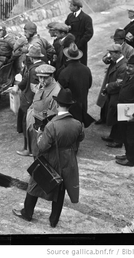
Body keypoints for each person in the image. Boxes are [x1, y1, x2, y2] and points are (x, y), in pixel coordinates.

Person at [12, 88, 84, 228]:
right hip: (68, 160)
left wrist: (39, 133)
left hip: (50, 160)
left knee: (34, 184)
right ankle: (53, 220)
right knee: (60, 189)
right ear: (70, 106)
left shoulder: (51, 125)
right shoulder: (77, 124)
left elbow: (42, 146)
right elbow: (80, 138)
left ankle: (27, 213)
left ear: (57, 105)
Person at [14, 45, 46, 156]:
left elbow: (33, 88)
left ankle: (28, 149)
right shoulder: (45, 65)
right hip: (43, 100)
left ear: (31, 57)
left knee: (27, 124)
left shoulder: (33, 69)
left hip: (30, 101)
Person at [26, 64, 61, 157]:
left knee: (41, 155)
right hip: (35, 124)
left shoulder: (56, 92)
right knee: (35, 152)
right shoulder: (43, 85)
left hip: (44, 128)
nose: (41, 80)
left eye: (45, 78)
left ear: (52, 76)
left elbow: (54, 115)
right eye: (40, 77)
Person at [57, 43, 94, 128]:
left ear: (67, 57)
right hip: (83, 101)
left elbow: (60, 90)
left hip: (70, 105)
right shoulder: (86, 69)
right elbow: (89, 84)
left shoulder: (65, 72)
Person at [95, 44, 127, 128]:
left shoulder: (123, 66)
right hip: (110, 90)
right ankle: (106, 120)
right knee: (106, 105)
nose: (110, 55)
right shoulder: (116, 60)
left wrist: (108, 85)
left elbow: (120, 83)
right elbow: (106, 60)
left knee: (113, 111)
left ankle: (113, 133)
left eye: (111, 53)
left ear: (117, 53)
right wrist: (107, 58)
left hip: (115, 92)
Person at [64, 0, 93, 66]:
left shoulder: (86, 18)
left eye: (71, 6)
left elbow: (89, 33)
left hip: (81, 45)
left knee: (81, 64)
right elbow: (65, 27)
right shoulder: (70, 16)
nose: (69, 7)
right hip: (70, 44)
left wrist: (79, 43)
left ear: (76, 7)